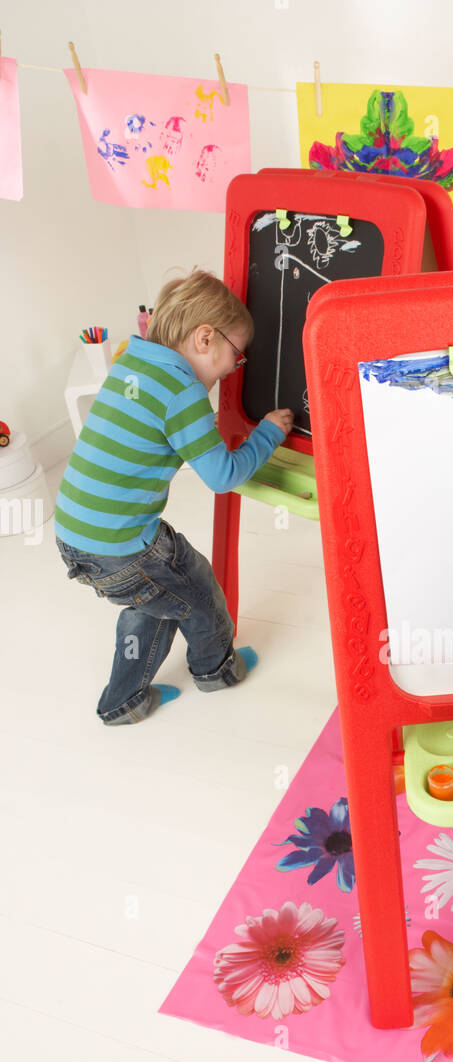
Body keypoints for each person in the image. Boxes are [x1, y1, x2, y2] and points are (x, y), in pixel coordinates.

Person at [55, 268, 293, 725]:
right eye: (235, 357)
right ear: (205, 339)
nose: (231, 370)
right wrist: (266, 435)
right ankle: (215, 670)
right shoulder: (181, 390)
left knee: (156, 598)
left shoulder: (132, 360)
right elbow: (223, 476)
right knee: (197, 591)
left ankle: (121, 702)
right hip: (119, 544)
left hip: (76, 533)